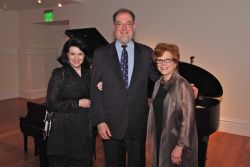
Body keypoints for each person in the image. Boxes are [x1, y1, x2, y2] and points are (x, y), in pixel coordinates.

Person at [147, 43, 198, 167]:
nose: (163, 64)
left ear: (175, 62)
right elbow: (157, 105)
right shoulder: (159, 83)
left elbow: (188, 119)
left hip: (175, 138)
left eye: (167, 60)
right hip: (160, 134)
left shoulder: (182, 85)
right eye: (159, 60)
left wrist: (179, 147)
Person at [46, 37, 93, 167]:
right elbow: (50, 104)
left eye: (80, 54)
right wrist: (77, 103)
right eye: (72, 54)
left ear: (85, 55)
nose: (76, 58)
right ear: (66, 54)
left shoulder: (89, 74)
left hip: (84, 132)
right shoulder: (59, 73)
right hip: (64, 132)